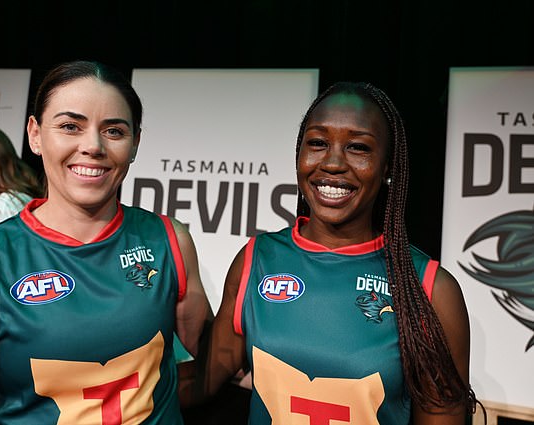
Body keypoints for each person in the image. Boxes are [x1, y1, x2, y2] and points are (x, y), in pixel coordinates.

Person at [0, 60, 212, 424]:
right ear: (35, 134)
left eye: (114, 131)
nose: (92, 146)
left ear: (136, 143)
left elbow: (208, 368)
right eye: (70, 126)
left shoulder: (170, 240)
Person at [197, 82, 480, 424]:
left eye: (358, 147)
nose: (332, 163)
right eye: (317, 143)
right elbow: (200, 382)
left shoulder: (430, 289)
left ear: (388, 167)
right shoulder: (256, 259)